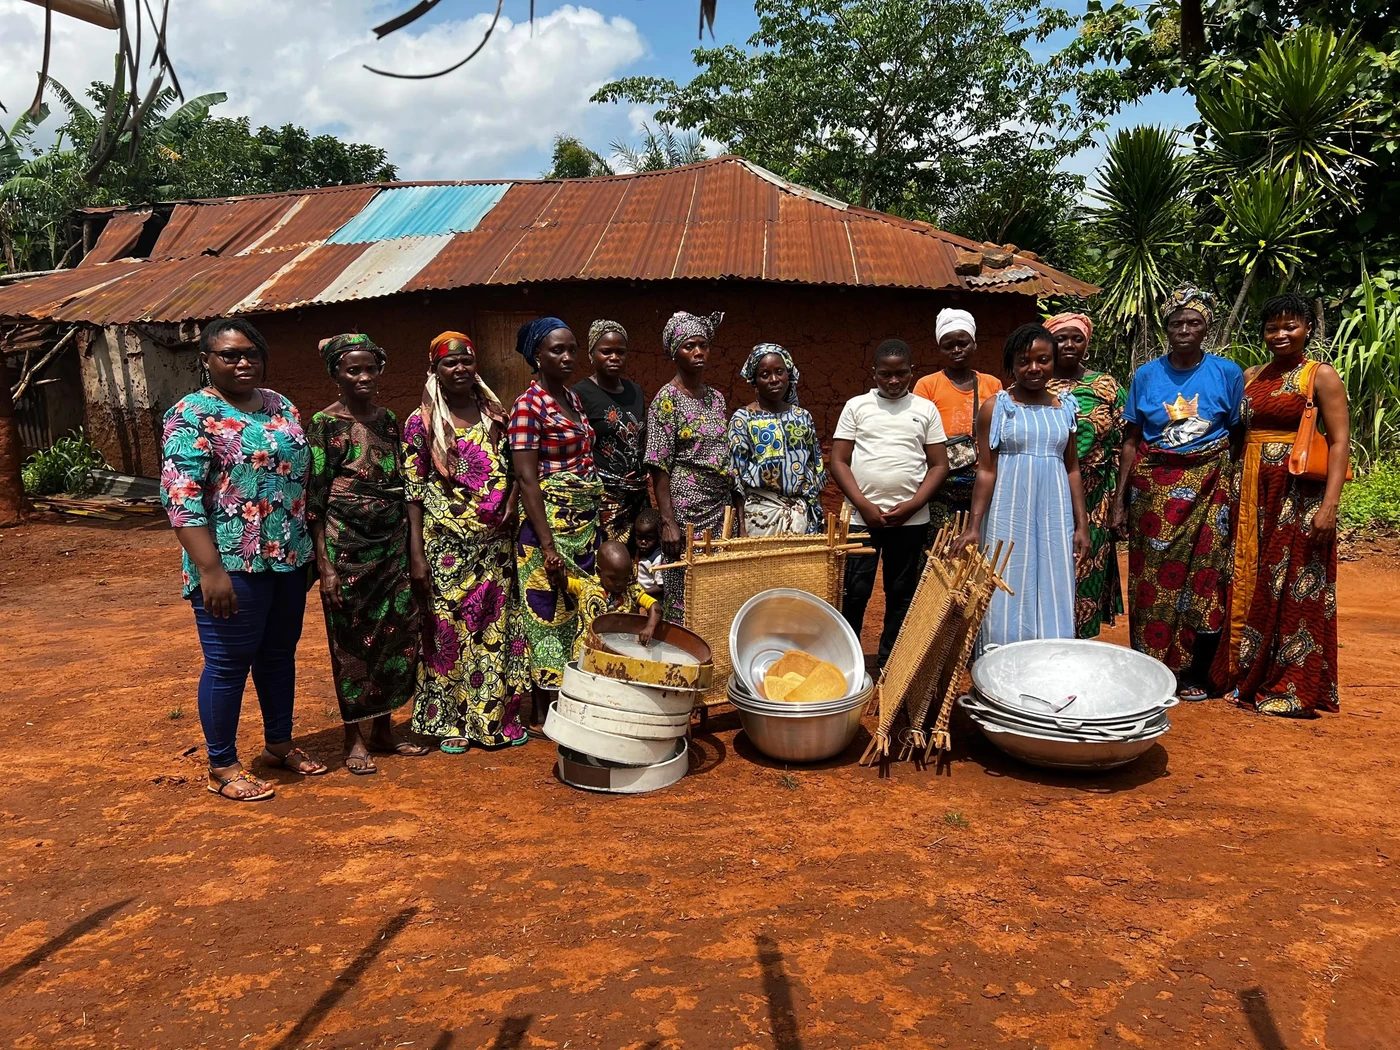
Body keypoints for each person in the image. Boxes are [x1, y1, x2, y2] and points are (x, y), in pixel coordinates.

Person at [159, 318, 326, 802]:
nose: (242, 361)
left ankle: (279, 742)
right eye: (229, 354)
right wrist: (210, 570)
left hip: (287, 561)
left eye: (250, 352)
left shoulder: (280, 405)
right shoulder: (191, 414)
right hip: (231, 563)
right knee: (228, 662)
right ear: (206, 361)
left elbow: (298, 481)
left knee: (279, 656)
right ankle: (223, 766)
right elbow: (181, 497)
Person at [1211, 295, 1349, 716]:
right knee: (1247, 577)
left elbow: (1340, 442)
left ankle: (1290, 683)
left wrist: (1330, 507)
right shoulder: (1252, 375)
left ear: (1308, 327)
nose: (1281, 335)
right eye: (1272, 328)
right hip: (1250, 490)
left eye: (1290, 326)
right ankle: (1241, 672)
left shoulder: (1319, 375)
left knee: (1293, 585)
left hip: (1298, 494)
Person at [1110, 285, 1244, 700]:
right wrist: (1120, 500)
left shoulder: (1227, 373)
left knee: (1206, 580)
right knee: (1152, 580)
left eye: (1194, 322)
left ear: (1207, 328)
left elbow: (1238, 436)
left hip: (1210, 490)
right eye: (1177, 323)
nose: (1185, 329)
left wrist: (1230, 488)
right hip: (1154, 490)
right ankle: (1150, 670)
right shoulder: (1146, 375)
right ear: (1166, 328)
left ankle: (1191, 672)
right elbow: (1132, 440)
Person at [306, 333, 427, 774]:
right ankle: (353, 737)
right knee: (351, 642)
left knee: (395, 635)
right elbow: (315, 500)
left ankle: (384, 730)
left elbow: (404, 483)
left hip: (391, 545)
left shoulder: (389, 420)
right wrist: (326, 565)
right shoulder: (324, 424)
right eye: (351, 369)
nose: (362, 377)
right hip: (346, 548)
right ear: (336, 374)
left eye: (369, 368)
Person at [403, 332, 529, 752]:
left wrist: (511, 501)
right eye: (449, 364)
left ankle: (493, 720)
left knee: (493, 629)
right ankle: (451, 723)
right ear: (434, 369)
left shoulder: (495, 414)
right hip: (447, 550)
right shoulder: (419, 423)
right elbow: (413, 491)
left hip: (493, 548)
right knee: (448, 633)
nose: (459, 370)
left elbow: (515, 468)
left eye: (466, 362)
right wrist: (417, 554)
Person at [955, 324, 1092, 646]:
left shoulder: (1066, 408)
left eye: (1042, 360)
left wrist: (1081, 525)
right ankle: (1001, 667)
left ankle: (1049, 668)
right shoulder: (997, 407)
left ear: (1053, 362)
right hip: (1009, 511)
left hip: (1053, 513)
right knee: (1007, 577)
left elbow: (1072, 468)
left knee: (1053, 580)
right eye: (1023, 361)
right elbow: (986, 471)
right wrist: (974, 526)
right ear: (1011, 365)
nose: (1033, 368)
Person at [831, 338, 950, 667]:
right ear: (874, 374)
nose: (894, 381)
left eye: (901, 374)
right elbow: (839, 461)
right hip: (861, 520)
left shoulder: (924, 409)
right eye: (886, 374)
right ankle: (848, 663)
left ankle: (889, 664)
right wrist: (863, 505)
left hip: (910, 522)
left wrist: (913, 506)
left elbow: (940, 464)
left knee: (901, 595)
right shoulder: (857, 407)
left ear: (912, 372)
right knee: (853, 593)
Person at [510, 318, 603, 716]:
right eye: (556, 350)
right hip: (546, 525)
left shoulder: (572, 398)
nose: (567, 357)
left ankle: (571, 694)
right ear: (537, 356)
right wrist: (547, 545)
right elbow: (527, 479)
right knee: (547, 608)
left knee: (579, 607)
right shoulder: (527, 406)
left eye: (571, 349)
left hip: (582, 523)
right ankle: (543, 706)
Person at [1046, 312, 1127, 638]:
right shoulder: (1037, 382)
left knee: (1087, 569)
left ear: (1086, 343)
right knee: (1049, 569)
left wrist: (1120, 503)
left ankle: (1080, 645)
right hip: (1048, 492)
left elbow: (1126, 443)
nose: (1068, 344)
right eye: (1061, 338)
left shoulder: (1106, 386)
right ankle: (1047, 642)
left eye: (1076, 338)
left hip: (1096, 497)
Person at [646, 310, 732, 559]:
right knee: (687, 584)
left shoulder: (716, 399)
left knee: (719, 584)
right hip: (686, 513)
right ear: (675, 352)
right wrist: (668, 522)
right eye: (689, 346)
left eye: (703, 345)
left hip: (720, 508)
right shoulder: (666, 400)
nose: (698, 352)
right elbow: (658, 465)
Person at [913, 309, 1004, 533]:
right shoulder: (927, 385)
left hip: (982, 481)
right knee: (937, 549)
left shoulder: (992, 384)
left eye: (962, 343)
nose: (956, 350)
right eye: (948, 345)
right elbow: (917, 432)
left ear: (975, 344)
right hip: (941, 482)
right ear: (939, 349)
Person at [728, 342, 826, 535]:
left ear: (789, 375)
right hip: (759, 518)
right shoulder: (742, 419)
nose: (774, 379)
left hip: (800, 516)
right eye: (765, 375)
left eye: (779, 372)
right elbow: (736, 478)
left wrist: (819, 516)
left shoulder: (802, 417)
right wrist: (740, 527)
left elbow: (815, 469)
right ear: (754, 381)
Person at [573, 320, 649, 543]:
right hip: (604, 499)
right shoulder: (580, 394)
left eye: (620, 352)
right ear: (591, 354)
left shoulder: (635, 392)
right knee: (609, 559)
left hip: (638, 495)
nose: (614, 357)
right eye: (606, 351)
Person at [548, 540, 663, 656]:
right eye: (613, 579)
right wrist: (555, 572)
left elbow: (654, 605)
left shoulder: (632, 591)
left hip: (617, 655)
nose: (619, 583)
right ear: (599, 572)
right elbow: (564, 583)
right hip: (586, 654)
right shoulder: (586, 586)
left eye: (624, 578)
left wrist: (650, 627)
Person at [633, 507, 665, 598]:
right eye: (639, 537)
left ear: (658, 537)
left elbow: (660, 586)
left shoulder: (657, 559)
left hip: (650, 598)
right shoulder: (638, 552)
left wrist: (641, 594)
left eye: (649, 538)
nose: (643, 542)